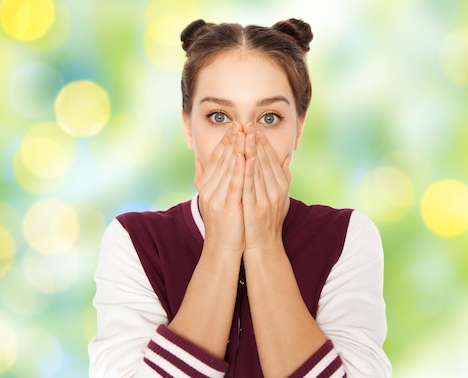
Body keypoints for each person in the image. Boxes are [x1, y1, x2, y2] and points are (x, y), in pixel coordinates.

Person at [88, 18, 391, 377]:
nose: (245, 142)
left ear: (299, 128)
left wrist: (264, 245)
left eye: (269, 117)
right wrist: (221, 247)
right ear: (188, 126)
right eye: (219, 116)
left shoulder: (346, 237)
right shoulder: (136, 242)